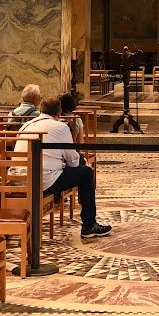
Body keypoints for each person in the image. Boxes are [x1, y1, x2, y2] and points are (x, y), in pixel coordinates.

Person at [18, 95, 109, 238]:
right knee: (85, 172)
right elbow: (73, 160)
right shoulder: (61, 127)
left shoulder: (26, 126)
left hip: (19, 179)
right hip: (44, 181)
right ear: (59, 112)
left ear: (40, 109)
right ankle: (89, 224)